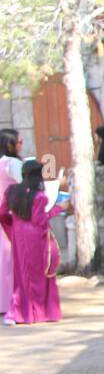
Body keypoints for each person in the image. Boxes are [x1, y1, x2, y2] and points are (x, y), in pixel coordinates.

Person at [0, 159, 66, 326]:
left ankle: (21, 312)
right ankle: (42, 312)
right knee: (40, 273)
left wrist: (13, 225)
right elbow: (40, 220)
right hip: (36, 237)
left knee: (22, 275)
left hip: (19, 236)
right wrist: (59, 208)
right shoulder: (39, 196)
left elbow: (2, 213)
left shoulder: (11, 191)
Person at [0, 129, 24, 321]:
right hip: (10, 214)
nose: (21, 144)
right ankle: (11, 302)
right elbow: (25, 185)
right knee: (10, 259)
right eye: (19, 141)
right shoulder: (12, 163)